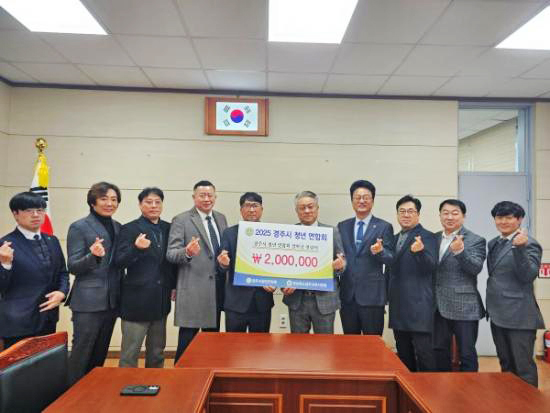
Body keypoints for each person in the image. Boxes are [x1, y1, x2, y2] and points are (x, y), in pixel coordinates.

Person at [66, 181, 123, 384]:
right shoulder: (79, 227)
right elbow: (73, 266)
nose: (110, 203)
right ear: (93, 202)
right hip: (88, 302)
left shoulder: (118, 227)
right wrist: (92, 256)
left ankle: (91, 391)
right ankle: (71, 393)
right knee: (82, 352)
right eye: (104, 199)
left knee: (100, 353)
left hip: (112, 301)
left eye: (114, 199)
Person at [166, 180, 228, 362]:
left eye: (210, 195)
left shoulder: (221, 218)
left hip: (217, 289)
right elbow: (171, 253)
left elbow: (222, 252)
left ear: (215, 197)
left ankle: (208, 375)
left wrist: (224, 264)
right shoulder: (181, 219)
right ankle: (182, 378)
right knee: (187, 343)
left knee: (212, 342)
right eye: (202, 195)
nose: (207, 199)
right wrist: (187, 252)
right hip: (193, 289)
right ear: (194, 197)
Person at [115, 187, 176, 368]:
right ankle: (125, 384)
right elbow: (119, 262)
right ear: (140, 205)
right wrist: (136, 248)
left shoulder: (168, 228)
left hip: (161, 301)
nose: (153, 206)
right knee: (130, 353)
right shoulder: (129, 229)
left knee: (157, 353)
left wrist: (173, 285)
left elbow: (171, 263)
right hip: (136, 302)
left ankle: (154, 382)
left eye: (158, 202)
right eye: (148, 202)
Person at [0, 192, 69, 349]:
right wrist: (5, 264)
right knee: (18, 364)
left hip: (48, 317)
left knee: (45, 362)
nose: (36, 215)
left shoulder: (52, 240)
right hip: (18, 321)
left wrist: (62, 293)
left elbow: (63, 273)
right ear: (15, 214)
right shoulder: (4, 244)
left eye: (40, 210)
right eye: (29, 210)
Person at [486, 201, 544, 387]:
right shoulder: (494, 243)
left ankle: (529, 402)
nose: (503, 221)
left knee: (523, 367)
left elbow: (528, 275)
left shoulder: (529, 243)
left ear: (519, 220)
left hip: (519, 315)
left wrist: (520, 249)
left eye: (509, 217)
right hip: (498, 314)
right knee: (506, 364)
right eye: (499, 217)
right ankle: (510, 400)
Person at [281, 191, 345, 334]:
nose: (307, 211)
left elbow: (342, 261)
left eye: (310, 206)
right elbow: (281, 266)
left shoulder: (332, 232)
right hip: (297, 300)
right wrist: (283, 285)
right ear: (296, 211)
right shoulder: (288, 233)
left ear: (317, 208)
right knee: (298, 344)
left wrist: (339, 266)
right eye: (302, 208)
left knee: (325, 345)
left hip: (324, 300)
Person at [433, 199, 486, 372]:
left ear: (463, 216)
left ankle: (468, 388)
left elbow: (475, 268)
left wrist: (460, 252)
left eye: (455, 213)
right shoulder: (433, 238)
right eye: (445, 213)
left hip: (464, 306)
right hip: (437, 306)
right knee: (439, 350)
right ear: (440, 216)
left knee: (467, 353)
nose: (449, 217)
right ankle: (442, 386)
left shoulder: (476, 240)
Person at [387, 195, 437, 371]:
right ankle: (408, 387)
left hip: (419, 307)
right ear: (397, 214)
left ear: (418, 214)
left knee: (424, 355)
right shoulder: (393, 238)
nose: (406, 215)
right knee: (403, 355)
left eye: (410, 211)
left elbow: (431, 266)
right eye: (402, 211)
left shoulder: (428, 237)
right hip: (398, 307)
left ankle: (428, 388)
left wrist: (420, 252)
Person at [337, 180, 394, 335]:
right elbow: (339, 255)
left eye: (366, 197)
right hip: (348, 296)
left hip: (372, 297)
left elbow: (391, 259)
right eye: (358, 197)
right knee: (350, 344)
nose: (362, 201)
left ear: (372, 201)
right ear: (352, 201)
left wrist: (380, 251)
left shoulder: (384, 226)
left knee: (373, 343)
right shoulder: (343, 226)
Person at [217, 192, 275, 332]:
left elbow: (278, 265)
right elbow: (221, 267)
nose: (251, 209)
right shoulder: (229, 233)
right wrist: (223, 263)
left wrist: (275, 281)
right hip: (236, 302)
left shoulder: (272, 233)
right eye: (247, 206)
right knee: (234, 344)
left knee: (260, 344)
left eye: (255, 206)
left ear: (262, 209)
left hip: (262, 301)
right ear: (241, 210)